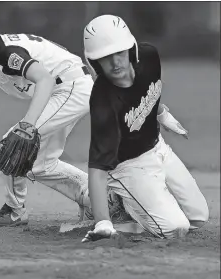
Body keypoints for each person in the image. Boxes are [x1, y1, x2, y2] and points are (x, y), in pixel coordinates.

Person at [0, 6, 190, 229]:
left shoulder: (7, 52)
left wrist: (28, 124)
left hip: (72, 87)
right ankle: (104, 201)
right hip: (62, 91)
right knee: (40, 166)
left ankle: (14, 211)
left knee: (11, 143)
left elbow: (45, 79)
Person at [81, 15, 209, 242]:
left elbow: (148, 89)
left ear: (131, 50)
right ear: (94, 62)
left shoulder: (149, 56)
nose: (115, 62)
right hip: (128, 166)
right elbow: (98, 167)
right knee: (174, 229)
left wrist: (162, 115)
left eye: (119, 52)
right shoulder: (103, 101)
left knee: (198, 218)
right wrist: (103, 221)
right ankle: (115, 205)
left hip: (157, 147)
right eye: (105, 57)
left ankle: (129, 200)